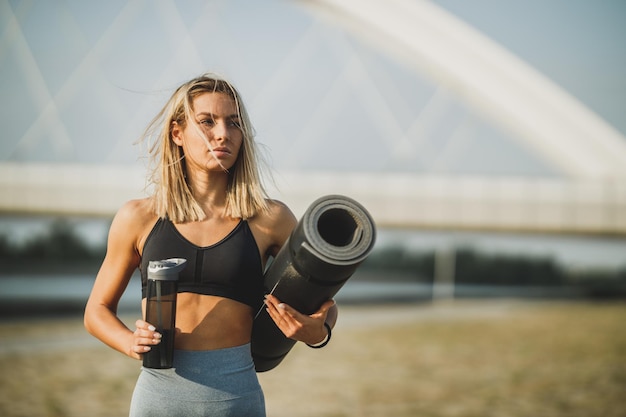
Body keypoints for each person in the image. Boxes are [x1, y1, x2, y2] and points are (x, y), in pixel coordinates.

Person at [84, 73, 338, 417]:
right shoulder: (138, 217)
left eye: (233, 123)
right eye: (207, 121)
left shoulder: (269, 219)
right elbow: (96, 310)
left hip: (236, 399)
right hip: (158, 399)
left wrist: (317, 330)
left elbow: (324, 301)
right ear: (177, 133)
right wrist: (130, 342)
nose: (223, 133)